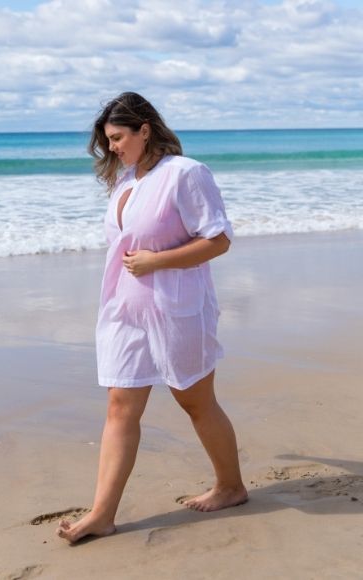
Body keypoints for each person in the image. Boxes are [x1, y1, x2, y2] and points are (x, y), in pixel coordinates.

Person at [57, 92, 248, 544]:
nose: (114, 148)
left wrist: (157, 262)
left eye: (119, 138)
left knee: (195, 402)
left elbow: (218, 240)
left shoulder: (186, 174)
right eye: (108, 141)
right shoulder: (126, 183)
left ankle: (231, 486)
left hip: (176, 309)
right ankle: (102, 513)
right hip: (124, 309)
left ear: (145, 129)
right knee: (120, 405)